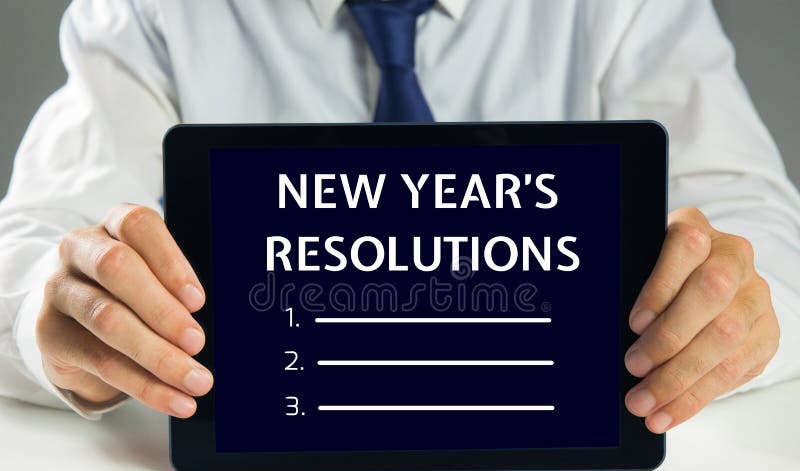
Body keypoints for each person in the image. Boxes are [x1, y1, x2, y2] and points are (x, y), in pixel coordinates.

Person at [0, 0, 798, 435]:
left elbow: (758, 225)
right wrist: (64, 320)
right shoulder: (151, 11)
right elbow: (33, 245)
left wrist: (735, 313)